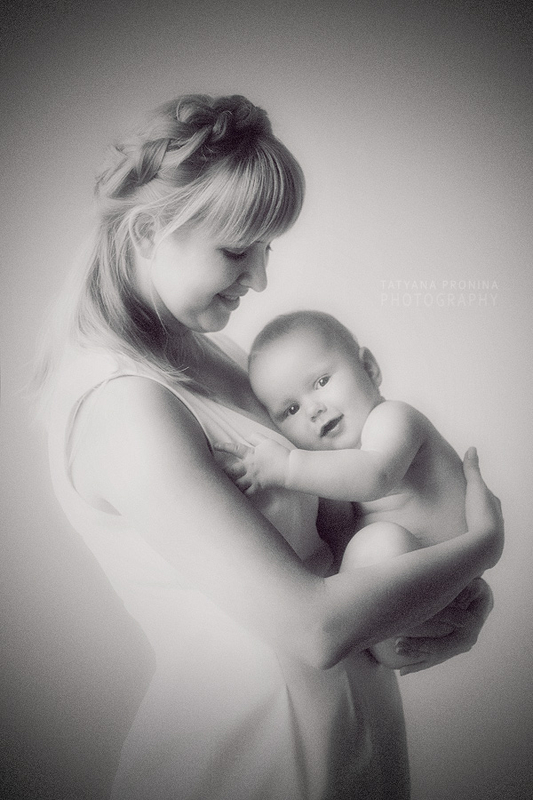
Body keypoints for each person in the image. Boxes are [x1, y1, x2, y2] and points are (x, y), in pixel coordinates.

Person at [35, 93, 503, 800]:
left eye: (266, 249)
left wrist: (447, 601)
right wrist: (482, 547)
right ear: (148, 230)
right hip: (256, 754)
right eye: (237, 251)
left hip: (351, 728)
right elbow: (314, 629)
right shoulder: (123, 405)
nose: (259, 280)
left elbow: (339, 535)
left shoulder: (213, 354)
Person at [215, 309, 477, 669]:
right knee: (360, 545)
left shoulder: (394, 418)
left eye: (321, 381)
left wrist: (286, 467)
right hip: (416, 603)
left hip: (448, 579)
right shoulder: (335, 468)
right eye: (291, 409)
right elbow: (339, 539)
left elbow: (376, 476)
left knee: (377, 541)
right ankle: (393, 645)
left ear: (369, 368)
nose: (313, 409)